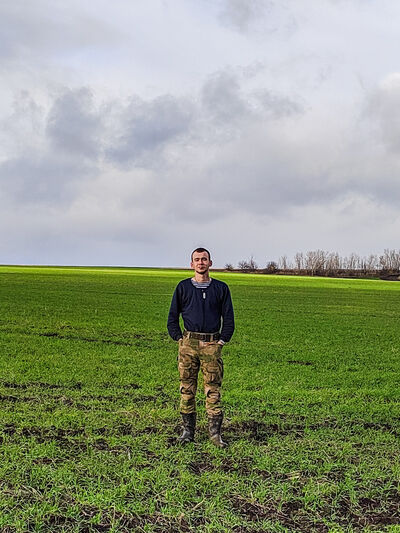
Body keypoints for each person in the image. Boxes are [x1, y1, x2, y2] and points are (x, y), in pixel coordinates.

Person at [167, 247, 235, 448]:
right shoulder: (183, 287)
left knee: (213, 390)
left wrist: (221, 341)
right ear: (191, 264)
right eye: (197, 259)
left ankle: (215, 435)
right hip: (188, 345)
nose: (200, 263)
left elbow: (229, 319)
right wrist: (180, 339)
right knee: (187, 389)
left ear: (210, 263)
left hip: (211, 345)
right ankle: (187, 432)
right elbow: (172, 318)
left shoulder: (221, 288)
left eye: (204, 259)